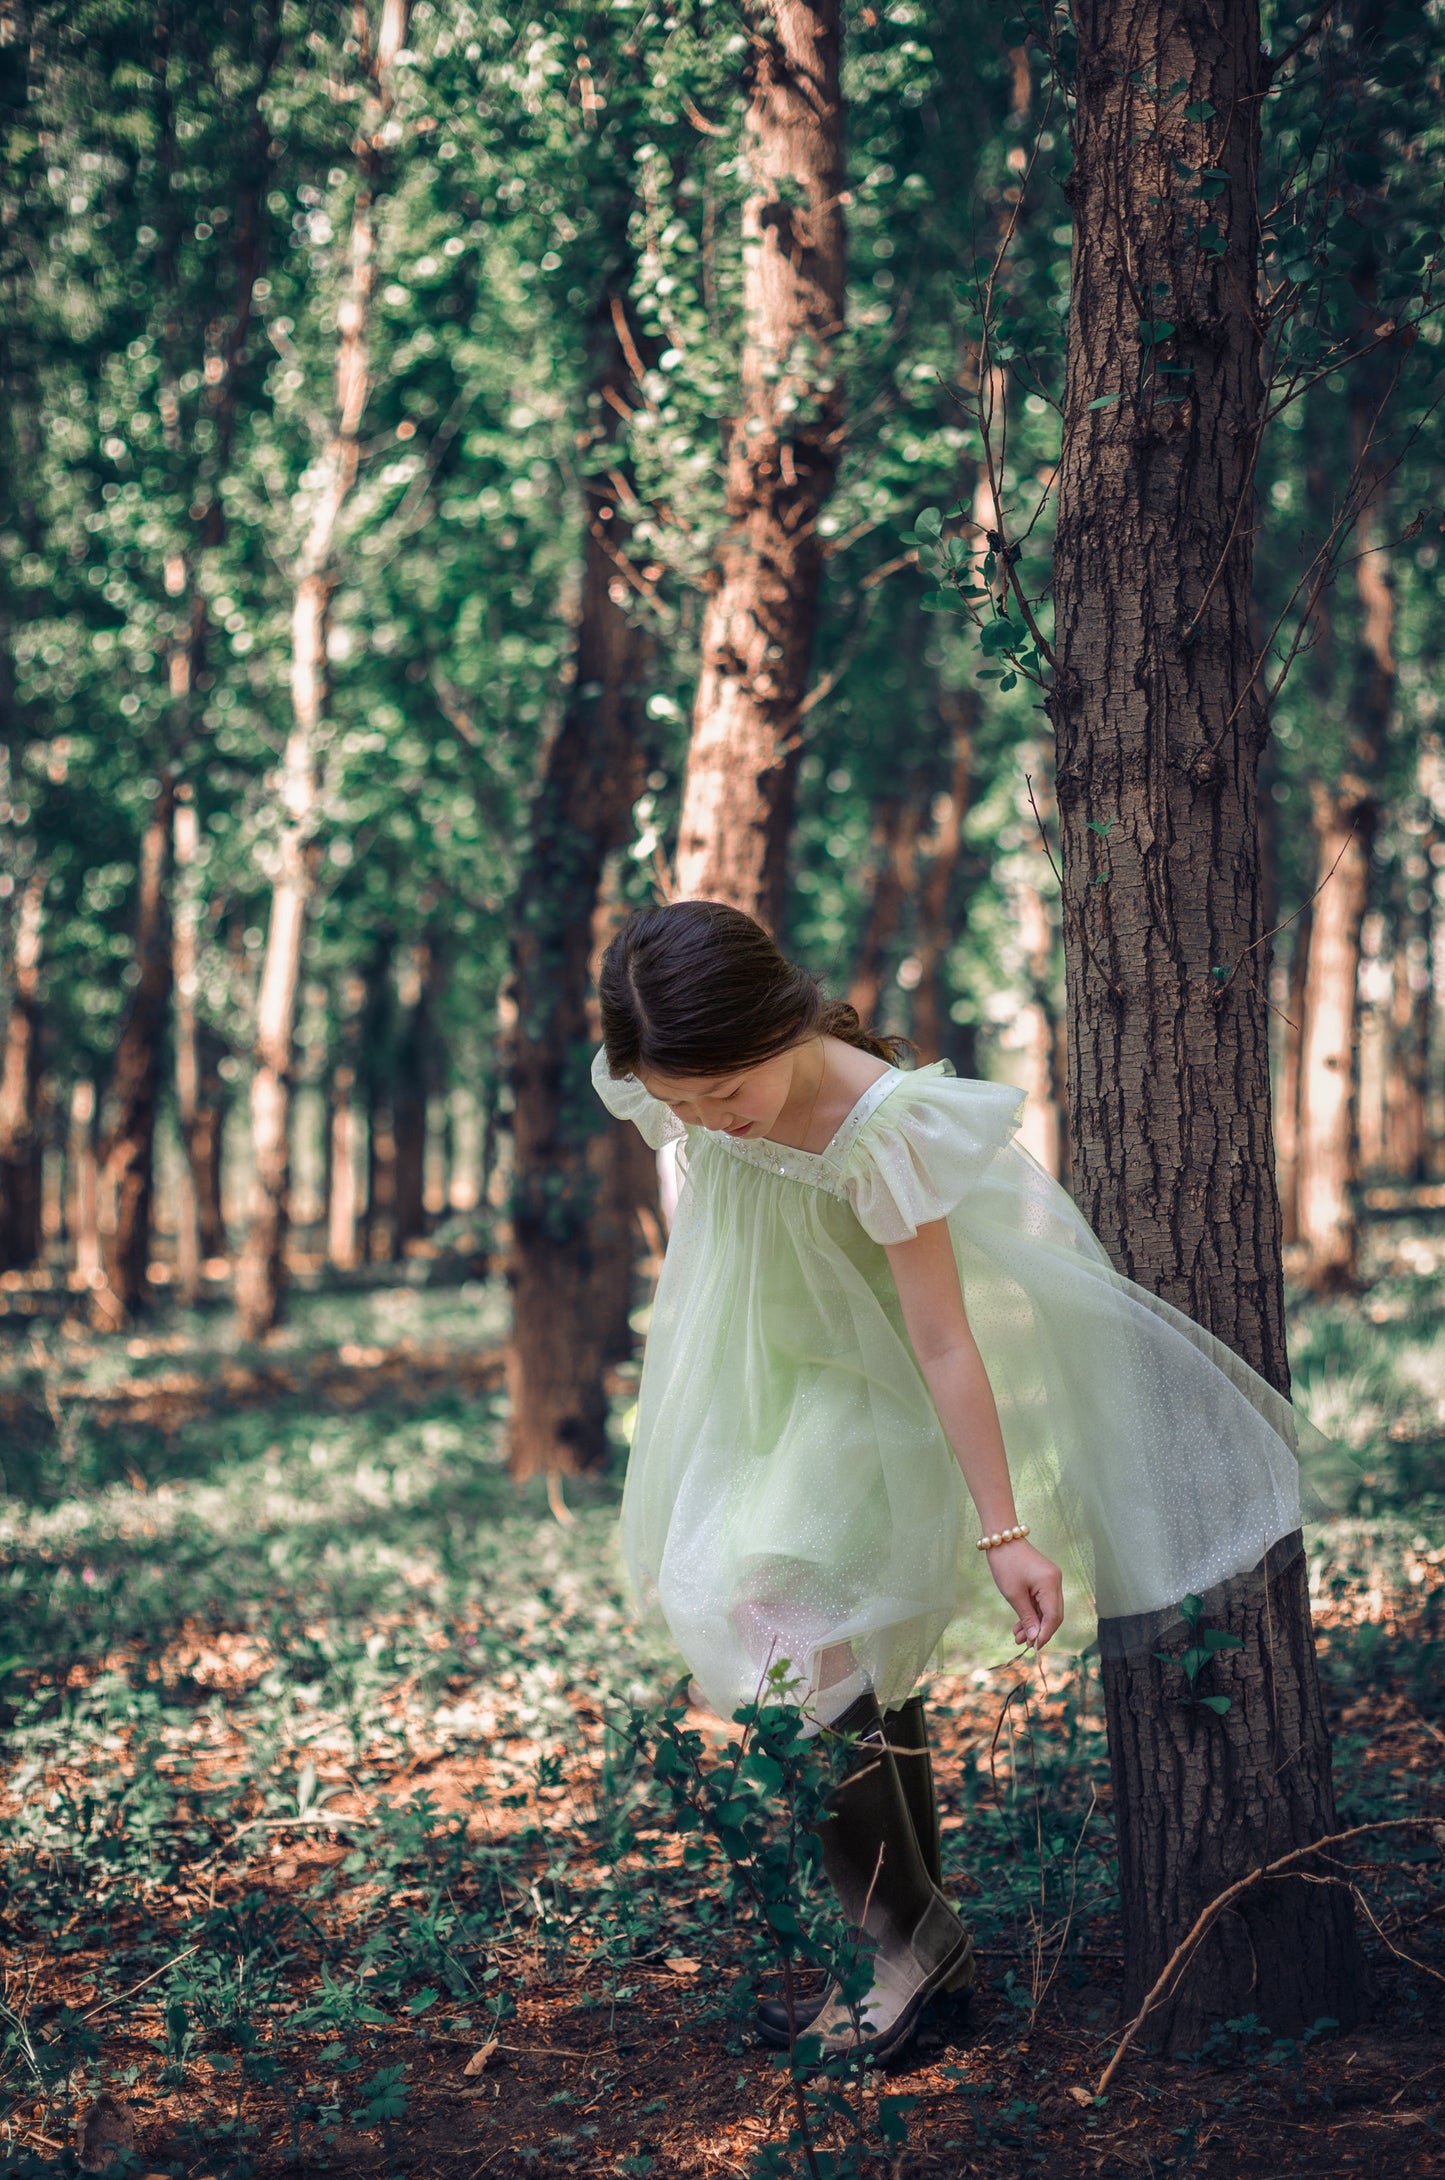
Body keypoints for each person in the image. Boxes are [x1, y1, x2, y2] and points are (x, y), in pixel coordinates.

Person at [591, 899, 1322, 2066]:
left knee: (775, 1614)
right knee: (839, 1650)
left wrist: (1003, 1528)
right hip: (763, 1380)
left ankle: (900, 1943)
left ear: (779, 1021)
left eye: (722, 1089)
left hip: (866, 1397)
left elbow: (939, 1339)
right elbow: (713, 1188)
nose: (707, 1118)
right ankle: (917, 1942)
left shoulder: (879, 1126)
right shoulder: (679, 1078)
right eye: (681, 1103)